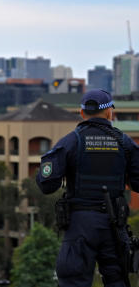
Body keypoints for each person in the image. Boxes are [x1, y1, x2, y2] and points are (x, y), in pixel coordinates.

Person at [37, 89, 139, 287]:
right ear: (110, 112)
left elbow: (47, 184)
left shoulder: (70, 142)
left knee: (73, 281)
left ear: (82, 113)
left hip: (80, 225)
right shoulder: (125, 143)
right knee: (118, 280)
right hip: (114, 225)